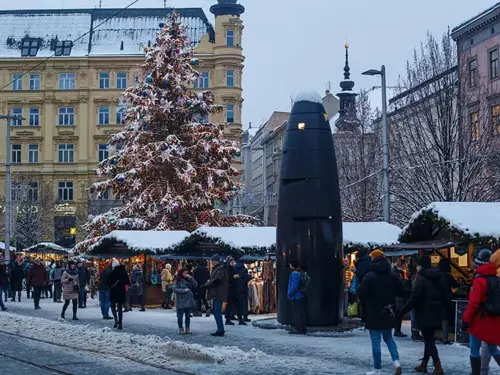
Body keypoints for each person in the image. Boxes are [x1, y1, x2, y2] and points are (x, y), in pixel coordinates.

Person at [357, 250, 403, 375]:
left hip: (373, 312)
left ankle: (377, 369)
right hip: (388, 310)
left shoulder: (369, 276)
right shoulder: (393, 275)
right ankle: (396, 361)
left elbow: (360, 293)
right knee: (389, 338)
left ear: (373, 259)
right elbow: (401, 291)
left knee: (376, 340)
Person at [400, 255, 448, 375]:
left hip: (424, 313)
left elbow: (414, 298)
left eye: (418, 265)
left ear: (420, 266)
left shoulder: (421, 279)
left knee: (429, 341)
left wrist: (402, 311)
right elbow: (445, 296)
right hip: (436, 312)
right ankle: (424, 364)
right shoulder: (438, 277)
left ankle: (438, 367)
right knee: (429, 339)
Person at [462, 249, 500, 375]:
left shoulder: (479, 281)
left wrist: (466, 320)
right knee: (493, 348)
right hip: (493, 319)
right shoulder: (496, 279)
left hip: (479, 320)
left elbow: (473, 304)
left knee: (474, 350)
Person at [204, 254, 229, 337]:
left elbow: (217, 280)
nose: (211, 262)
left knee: (217, 311)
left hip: (218, 293)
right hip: (217, 293)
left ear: (216, 261)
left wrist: (207, 285)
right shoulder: (219, 268)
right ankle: (220, 329)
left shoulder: (220, 268)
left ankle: (220, 329)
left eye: (212, 261)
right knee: (216, 311)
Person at [438, 258, 460, 344]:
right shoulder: (447, 276)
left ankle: (434, 335)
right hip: (445, 299)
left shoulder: (435, 274)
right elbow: (456, 285)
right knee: (445, 319)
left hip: (434, 299)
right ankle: (445, 338)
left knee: (436, 318)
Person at [174, 267, 198, 335]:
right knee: (180, 316)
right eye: (185, 273)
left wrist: (191, 278)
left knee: (188, 316)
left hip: (189, 300)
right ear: (181, 273)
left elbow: (196, 285)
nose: (186, 274)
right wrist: (183, 291)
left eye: (187, 273)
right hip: (181, 300)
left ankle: (187, 328)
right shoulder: (178, 280)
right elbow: (175, 289)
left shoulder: (189, 279)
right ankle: (181, 328)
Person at [108, 259, 130, 330]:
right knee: (120, 308)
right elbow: (128, 282)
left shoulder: (113, 272)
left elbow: (108, 282)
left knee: (113, 306)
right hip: (121, 292)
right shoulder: (124, 271)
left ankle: (115, 320)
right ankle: (120, 324)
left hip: (114, 292)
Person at [287, 259, 307, 335]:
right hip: (299, 296)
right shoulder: (298, 273)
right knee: (300, 313)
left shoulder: (294, 274)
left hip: (296, 296)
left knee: (297, 313)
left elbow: (294, 286)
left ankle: (299, 329)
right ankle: (302, 328)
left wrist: (290, 294)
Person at [393, 260, 409, 338]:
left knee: (398, 315)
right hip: (399, 296)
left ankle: (397, 330)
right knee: (398, 315)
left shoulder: (395, 272)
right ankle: (397, 330)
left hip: (397, 296)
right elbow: (400, 285)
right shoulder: (398, 273)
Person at [225, 256, 243, 325]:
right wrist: (233, 277)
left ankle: (240, 319)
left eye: (234, 262)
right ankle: (228, 319)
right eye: (232, 262)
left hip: (234, 289)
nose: (233, 263)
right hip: (230, 290)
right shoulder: (227, 269)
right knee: (230, 305)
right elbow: (227, 279)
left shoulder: (233, 269)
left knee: (237, 305)